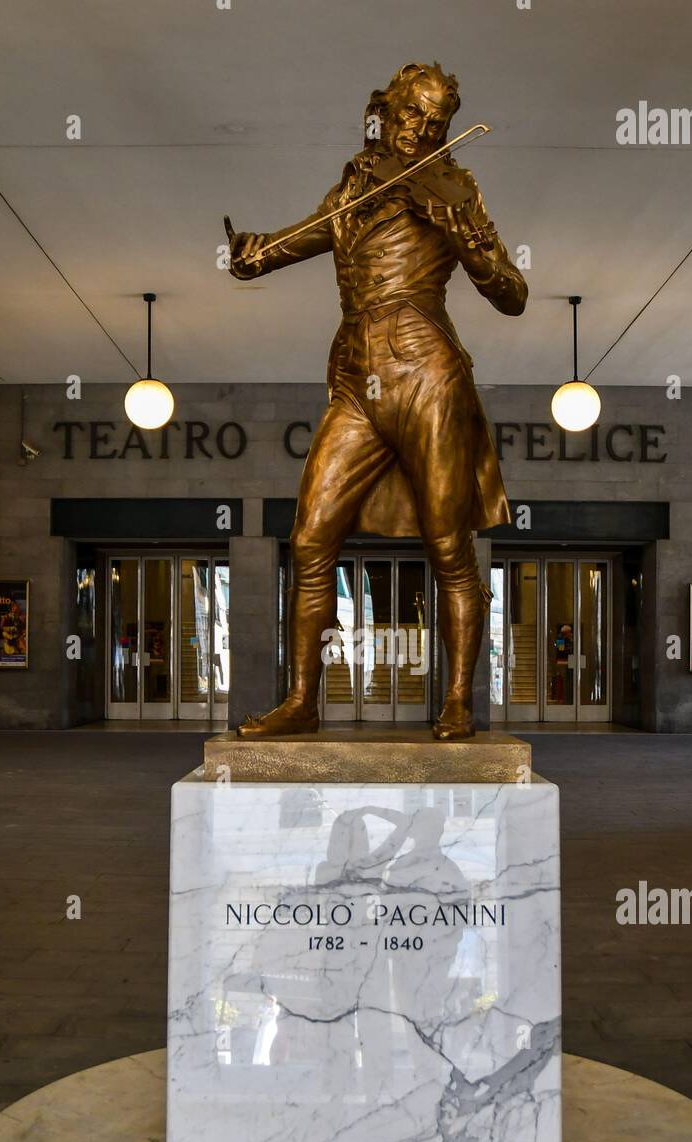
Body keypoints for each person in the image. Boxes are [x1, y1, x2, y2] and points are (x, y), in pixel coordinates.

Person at [227, 61, 527, 739]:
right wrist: (252, 255)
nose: (423, 131)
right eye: (412, 116)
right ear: (385, 113)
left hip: (426, 369)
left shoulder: (457, 187)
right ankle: (302, 701)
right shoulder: (358, 181)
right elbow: (304, 236)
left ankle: (457, 701)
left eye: (436, 122)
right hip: (355, 374)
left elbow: (512, 294)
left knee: (449, 542)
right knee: (309, 538)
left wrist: (470, 241)